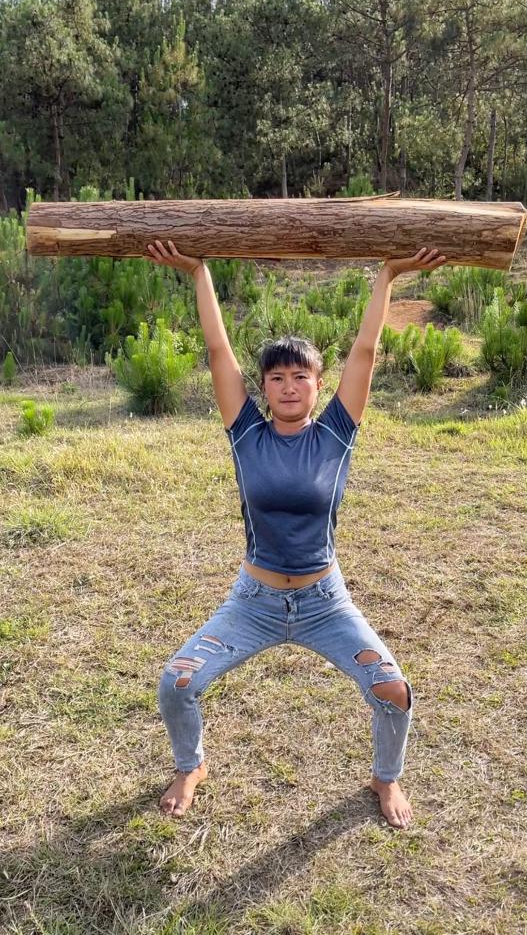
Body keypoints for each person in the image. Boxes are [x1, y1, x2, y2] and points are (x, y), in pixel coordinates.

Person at [145, 239, 446, 829]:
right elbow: (217, 349)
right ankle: (191, 766)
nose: (288, 386)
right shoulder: (246, 434)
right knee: (176, 683)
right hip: (253, 602)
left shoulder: (335, 433)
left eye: (300, 376)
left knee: (393, 690)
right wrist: (199, 271)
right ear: (262, 387)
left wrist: (387, 275)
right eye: (276, 377)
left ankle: (385, 778)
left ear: (317, 385)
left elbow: (365, 351)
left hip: (323, 601)